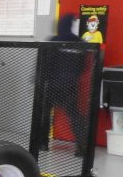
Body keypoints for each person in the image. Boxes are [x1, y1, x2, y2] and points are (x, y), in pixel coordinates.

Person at [38, 13, 89, 156]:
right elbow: (82, 66)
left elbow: (46, 63)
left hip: (52, 85)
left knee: (44, 115)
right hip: (70, 85)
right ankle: (81, 147)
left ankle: (42, 144)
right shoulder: (80, 43)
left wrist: (42, 80)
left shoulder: (53, 41)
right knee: (75, 116)